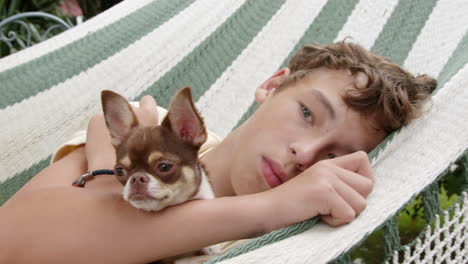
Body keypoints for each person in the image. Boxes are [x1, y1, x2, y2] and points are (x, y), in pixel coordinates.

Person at [0, 41, 435, 263]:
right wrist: (269, 206)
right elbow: (13, 243)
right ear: (272, 85)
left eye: (333, 156)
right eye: (306, 113)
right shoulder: (150, 135)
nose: (305, 153)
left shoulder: (287, 245)